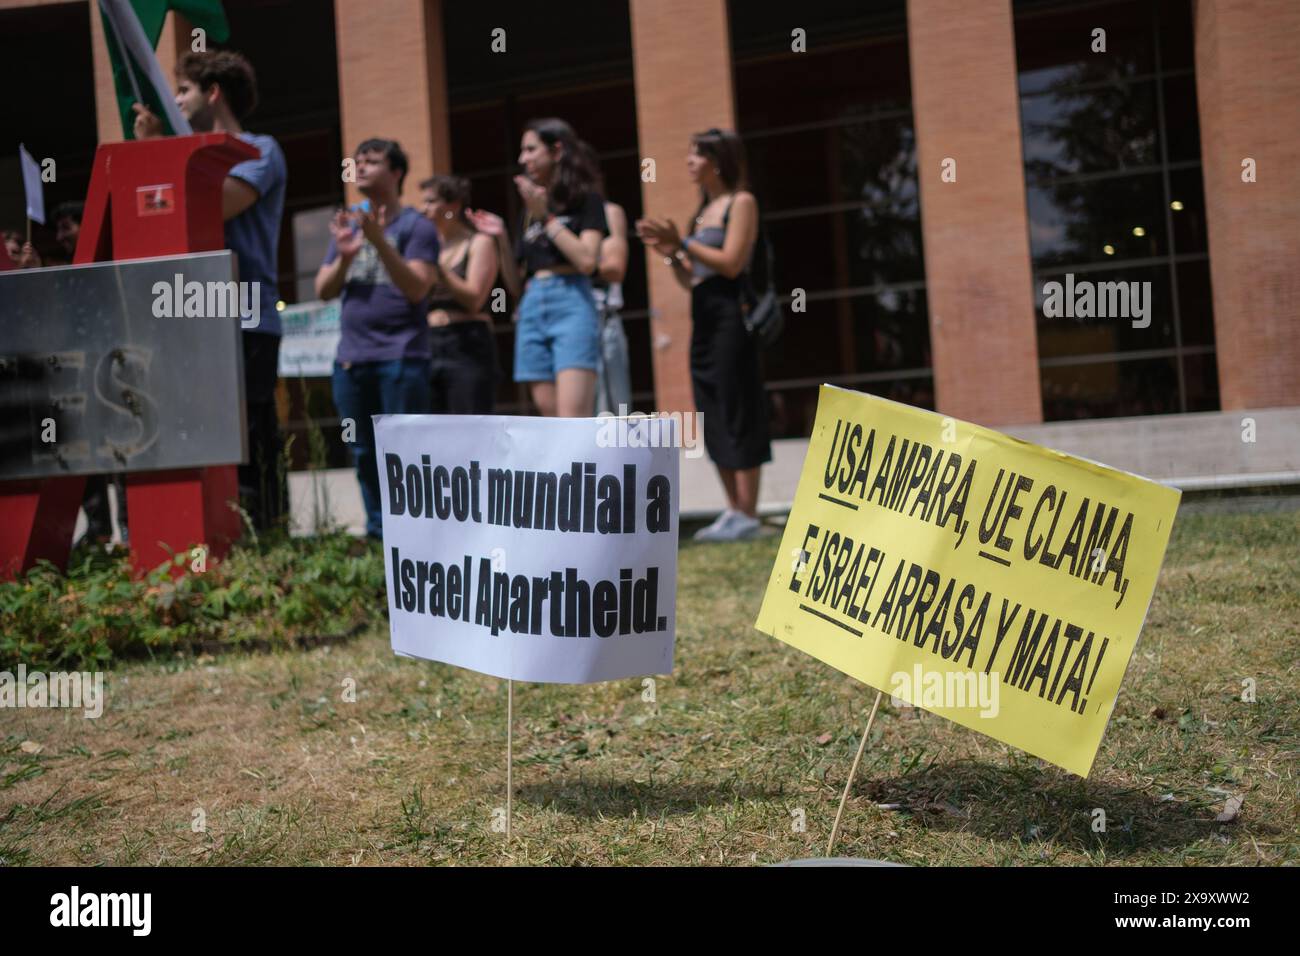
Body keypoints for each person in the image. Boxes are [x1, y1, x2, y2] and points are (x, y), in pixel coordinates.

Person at [135, 50, 288, 533]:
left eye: (183, 90)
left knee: (251, 435)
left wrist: (162, 148)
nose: (175, 100)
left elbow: (216, 206)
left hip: (247, 313)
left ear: (213, 92)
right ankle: (216, 535)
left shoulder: (259, 149)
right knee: (205, 435)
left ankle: (265, 535)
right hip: (192, 313)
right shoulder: (192, 156)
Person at [637, 128, 771, 541]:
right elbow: (692, 277)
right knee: (710, 406)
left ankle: (749, 510)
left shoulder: (740, 202)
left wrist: (684, 243)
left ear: (717, 160)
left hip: (733, 314)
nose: (690, 162)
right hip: (705, 315)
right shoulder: (702, 211)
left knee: (737, 404)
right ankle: (732, 509)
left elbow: (731, 263)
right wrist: (673, 253)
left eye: (697, 155)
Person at [316, 139, 440, 539]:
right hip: (351, 362)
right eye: (358, 162)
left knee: (406, 457)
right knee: (363, 452)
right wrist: (347, 255)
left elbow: (418, 288)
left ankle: (415, 542)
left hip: (401, 359)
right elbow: (323, 289)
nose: (362, 168)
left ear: (397, 173)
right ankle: (378, 537)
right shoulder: (348, 226)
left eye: (372, 161)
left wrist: (379, 242)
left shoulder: (417, 227)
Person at [470, 118, 605, 418]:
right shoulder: (528, 213)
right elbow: (515, 286)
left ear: (557, 151)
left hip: (572, 301)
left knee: (573, 421)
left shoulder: (586, 200)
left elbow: (586, 261)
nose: (523, 159)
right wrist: (501, 238)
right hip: (532, 305)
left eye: (531, 149)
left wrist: (546, 217)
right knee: (550, 420)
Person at [418, 175, 499, 413]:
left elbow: (474, 299)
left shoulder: (479, 242)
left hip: (467, 343)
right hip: (428, 342)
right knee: (433, 432)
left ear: (453, 205)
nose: (424, 209)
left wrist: (439, 268)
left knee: (470, 428)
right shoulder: (427, 247)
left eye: (431, 201)